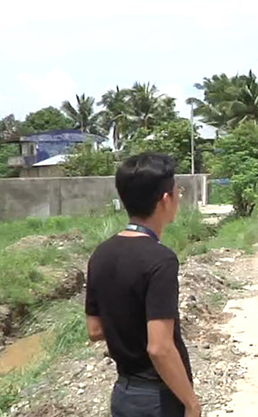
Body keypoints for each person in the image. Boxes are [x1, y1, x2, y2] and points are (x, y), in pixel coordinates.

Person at [85, 152, 200, 417]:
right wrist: (191, 402)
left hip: (123, 394)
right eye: (177, 191)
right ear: (165, 200)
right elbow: (159, 347)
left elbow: (94, 329)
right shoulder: (161, 260)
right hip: (157, 399)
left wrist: (126, 329)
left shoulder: (101, 253)